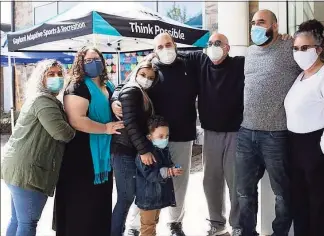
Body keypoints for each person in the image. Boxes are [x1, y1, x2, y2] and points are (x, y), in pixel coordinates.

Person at [112, 32, 198, 236]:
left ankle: (175, 223)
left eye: (168, 44)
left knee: (179, 181)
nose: (165, 49)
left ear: (175, 45)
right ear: (154, 50)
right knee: (145, 181)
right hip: (151, 138)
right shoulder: (150, 66)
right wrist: (115, 99)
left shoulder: (189, 64)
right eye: (159, 47)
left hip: (181, 135)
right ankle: (134, 226)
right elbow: (126, 84)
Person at [235, 10, 302, 236]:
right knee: (244, 192)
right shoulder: (250, 52)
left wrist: (291, 38)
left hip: (276, 134)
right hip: (246, 132)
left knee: (282, 193)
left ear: (275, 25)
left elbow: (311, 63)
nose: (255, 26)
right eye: (253, 23)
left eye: (261, 22)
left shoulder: (289, 47)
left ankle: (279, 233)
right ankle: (247, 232)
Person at [178, 33, 244, 236]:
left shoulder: (239, 64)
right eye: (210, 43)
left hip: (236, 133)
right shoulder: (201, 61)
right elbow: (173, 55)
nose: (213, 46)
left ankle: (238, 224)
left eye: (218, 43)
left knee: (236, 181)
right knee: (211, 180)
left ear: (228, 47)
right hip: (210, 133)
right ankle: (216, 222)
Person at [285, 19, 324, 236]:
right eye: (296, 48)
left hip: (317, 145)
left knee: (319, 206)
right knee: (300, 204)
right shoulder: (301, 76)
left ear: (318, 49)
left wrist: (323, 149)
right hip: (296, 146)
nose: (299, 52)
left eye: (305, 48)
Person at [54, 46, 124, 236]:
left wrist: (116, 104)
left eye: (96, 59)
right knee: (81, 206)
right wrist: (105, 128)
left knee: (100, 203)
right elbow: (77, 120)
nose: (93, 63)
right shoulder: (77, 86)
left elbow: (115, 97)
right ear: (80, 64)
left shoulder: (107, 85)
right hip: (81, 156)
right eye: (87, 60)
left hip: (102, 158)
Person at [1, 59, 75, 236]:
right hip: (30, 172)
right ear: (40, 78)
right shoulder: (44, 101)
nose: (56, 78)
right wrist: (75, 124)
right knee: (28, 223)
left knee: (18, 220)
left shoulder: (38, 98)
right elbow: (63, 134)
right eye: (50, 74)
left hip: (17, 169)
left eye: (59, 74)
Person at [110, 60, 158, 236]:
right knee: (125, 198)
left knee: (129, 197)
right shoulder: (132, 90)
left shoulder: (142, 92)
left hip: (131, 150)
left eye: (151, 77)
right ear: (136, 72)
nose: (146, 79)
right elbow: (129, 123)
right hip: (124, 150)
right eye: (143, 75)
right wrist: (144, 150)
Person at [136, 115, 183, 236]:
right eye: (160, 136)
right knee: (148, 228)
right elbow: (151, 175)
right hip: (148, 199)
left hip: (157, 198)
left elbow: (168, 165)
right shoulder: (145, 155)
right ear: (149, 137)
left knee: (153, 224)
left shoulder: (164, 149)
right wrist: (169, 171)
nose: (164, 139)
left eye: (166, 136)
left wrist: (173, 169)